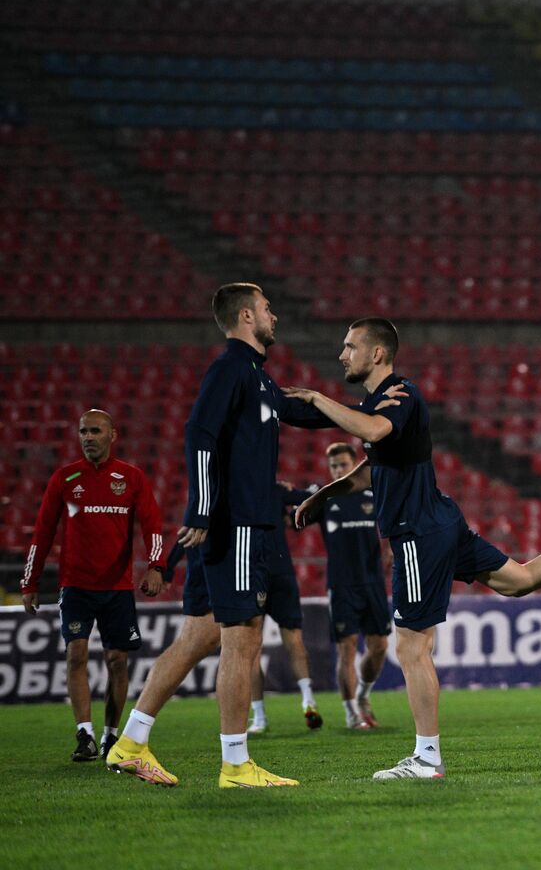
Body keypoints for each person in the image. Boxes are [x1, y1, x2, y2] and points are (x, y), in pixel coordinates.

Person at [286, 318, 541, 779]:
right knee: (518, 580)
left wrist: (319, 399)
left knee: (412, 647)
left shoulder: (398, 395)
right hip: (440, 518)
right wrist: (325, 493)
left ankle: (427, 757)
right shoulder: (380, 401)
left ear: (376, 353)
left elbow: (376, 432)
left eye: (349, 346)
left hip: (417, 531)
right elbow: (372, 465)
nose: (342, 355)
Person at [105, 282, 337, 788]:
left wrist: (373, 416)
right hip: (237, 526)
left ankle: (130, 742)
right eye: (269, 309)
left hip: (231, 526)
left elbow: (301, 409)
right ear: (248, 316)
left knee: (198, 637)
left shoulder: (257, 377)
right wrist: (204, 508)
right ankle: (235, 764)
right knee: (243, 637)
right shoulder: (231, 368)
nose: (276, 316)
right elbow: (199, 433)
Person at [21, 409, 165, 762]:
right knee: (76, 655)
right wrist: (31, 580)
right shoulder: (65, 477)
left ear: (112, 435)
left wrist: (156, 567)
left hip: (116, 588)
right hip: (76, 587)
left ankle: (111, 736)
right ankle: (84, 735)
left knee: (117, 661)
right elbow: (42, 533)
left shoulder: (130, 478)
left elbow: (153, 526)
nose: (87, 437)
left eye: (95, 431)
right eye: (83, 431)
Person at [297, 442, 389, 729]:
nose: (338, 470)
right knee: (347, 648)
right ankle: (351, 713)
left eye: (343, 465)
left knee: (379, 647)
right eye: (334, 466)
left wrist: (390, 551)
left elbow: (393, 525)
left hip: (373, 581)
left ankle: (363, 694)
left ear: (355, 466)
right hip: (341, 584)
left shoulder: (373, 494)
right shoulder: (325, 499)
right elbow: (295, 518)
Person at [247, 482, 323, 733]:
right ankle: (308, 700)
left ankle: (259, 717)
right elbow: (314, 494)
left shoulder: (238, 489)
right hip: (282, 571)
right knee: (294, 640)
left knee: (249, 647)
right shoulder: (277, 490)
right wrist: (294, 511)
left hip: (252, 572)